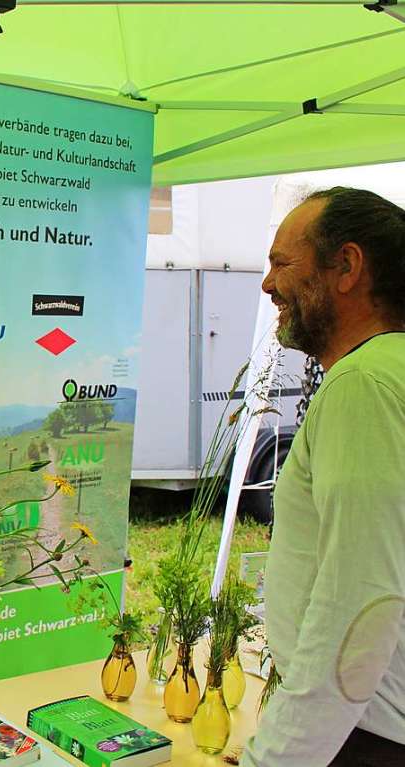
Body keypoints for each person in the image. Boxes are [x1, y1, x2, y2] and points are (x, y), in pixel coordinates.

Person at [242, 188, 405, 766]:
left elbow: (358, 608)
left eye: (283, 263)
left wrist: (277, 758)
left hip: (361, 733)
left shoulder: (364, 384)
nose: (267, 285)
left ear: (347, 268)